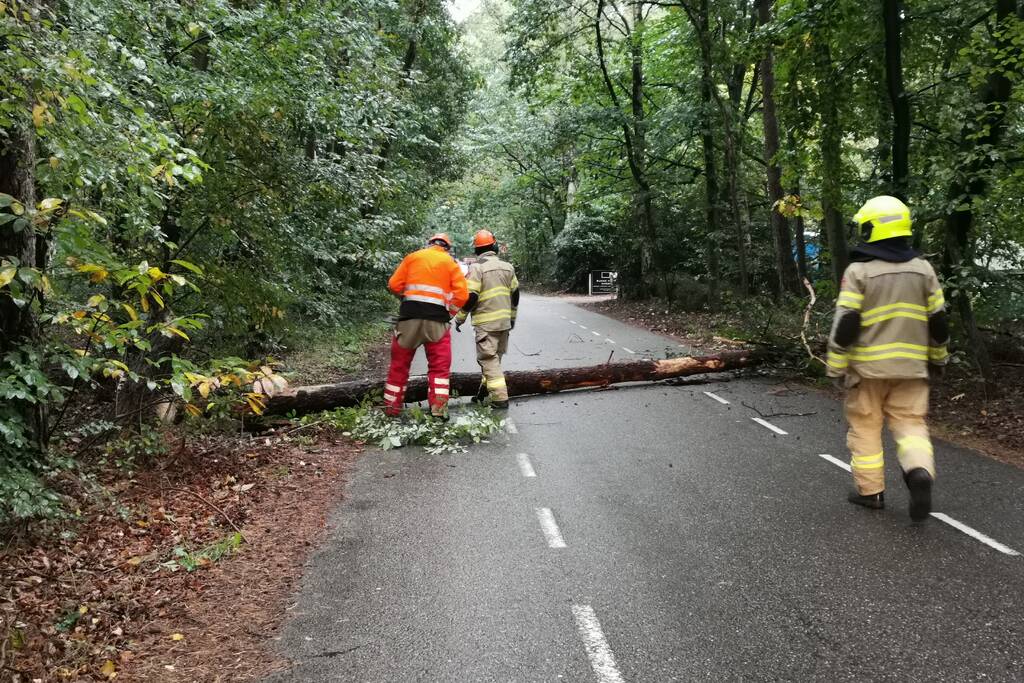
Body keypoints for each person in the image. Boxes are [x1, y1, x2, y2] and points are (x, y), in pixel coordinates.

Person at [826, 195, 949, 521]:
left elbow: (846, 324)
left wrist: (835, 365)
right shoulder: (924, 270)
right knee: (911, 426)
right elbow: (939, 322)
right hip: (911, 369)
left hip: (867, 370)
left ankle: (871, 493)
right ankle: (919, 471)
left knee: (865, 428)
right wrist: (938, 359)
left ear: (872, 229)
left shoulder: (859, 272)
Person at [383, 233, 469, 420]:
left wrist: (406, 299)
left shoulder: (413, 257)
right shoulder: (450, 263)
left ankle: (391, 409)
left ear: (429, 244)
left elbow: (393, 284)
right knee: (439, 369)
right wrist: (449, 313)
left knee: (398, 367)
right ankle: (438, 410)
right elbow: (462, 295)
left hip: (408, 320)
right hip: (437, 323)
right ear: (447, 248)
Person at [454, 229, 519, 409]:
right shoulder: (508, 267)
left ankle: (500, 398)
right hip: (504, 322)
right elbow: (515, 295)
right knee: (494, 359)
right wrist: (512, 318)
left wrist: (460, 318)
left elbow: (472, 296)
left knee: (488, 359)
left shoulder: (477, 267)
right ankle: (483, 392)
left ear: (477, 250)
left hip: (486, 324)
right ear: (494, 246)